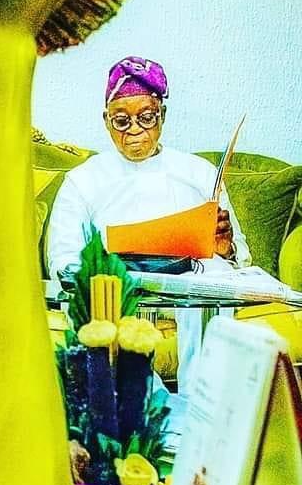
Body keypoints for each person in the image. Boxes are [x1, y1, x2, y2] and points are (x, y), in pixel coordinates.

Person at [47, 56, 251, 392]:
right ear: (106, 121)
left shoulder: (198, 173)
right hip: (120, 290)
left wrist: (225, 249)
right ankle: (143, 405)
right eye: (121, 120)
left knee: (216, 276)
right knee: (100, 294)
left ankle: (202, 401)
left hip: (189, 290)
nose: (134, 130)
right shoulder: (82, 180)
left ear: (163, 116)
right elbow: (64, 259)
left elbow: (240, 257)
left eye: (146, 117)